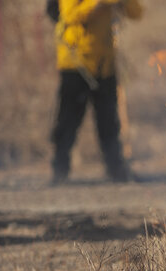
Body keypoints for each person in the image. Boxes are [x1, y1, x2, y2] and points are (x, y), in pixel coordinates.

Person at [51, 0, 142, 183]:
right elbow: (69, 15)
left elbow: (136, 13)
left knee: (109, 121)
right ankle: (60, 171)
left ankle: (116, 170)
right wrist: (98, 3)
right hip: (76, 63)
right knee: (68, 121)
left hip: (104, 65)